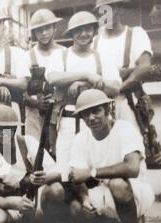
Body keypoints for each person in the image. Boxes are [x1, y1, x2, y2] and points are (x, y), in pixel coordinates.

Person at [69, 89, 154, 223]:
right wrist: (84, 198)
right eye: (86, 114)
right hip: (104, 192)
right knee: (76, 206)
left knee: (117, 184)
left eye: (96, 111)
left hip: (135, 191)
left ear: (108, 109)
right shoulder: (80, 139)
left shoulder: (125, 129)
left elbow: (132, 168)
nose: (91, 118)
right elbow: (77, 176)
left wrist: (92, 172)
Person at [48, 11, 121, 171]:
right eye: (78, 30)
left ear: (94, 31)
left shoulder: (104, 57)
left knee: (97, 168)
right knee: (65, 170)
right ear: (71, 33)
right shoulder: (60, 55)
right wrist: (87, 75)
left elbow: (115, 87)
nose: (83, 34)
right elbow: (53, 78)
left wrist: (85, 86)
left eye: (88, 29)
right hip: (68, 118)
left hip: (98, 121)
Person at [93, 0, 152, 130]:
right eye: (101, 11)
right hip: (101, 104)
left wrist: (119, 88)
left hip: (127, 101)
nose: (105, 15)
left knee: (132, 143)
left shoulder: (135, 33)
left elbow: (145, 67)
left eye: (108, 9)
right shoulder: (96, 40)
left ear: (119, 9)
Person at [25, 9, 65, 154]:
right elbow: (20, 90)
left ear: (54, 27)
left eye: (47, 28)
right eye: (39, 30)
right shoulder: (27, 56)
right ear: (34, 32)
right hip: (34, 113)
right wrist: (35, 102)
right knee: (35, 153)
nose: (44, 33)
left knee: (59, 153)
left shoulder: (64, 53)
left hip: (59, 112)